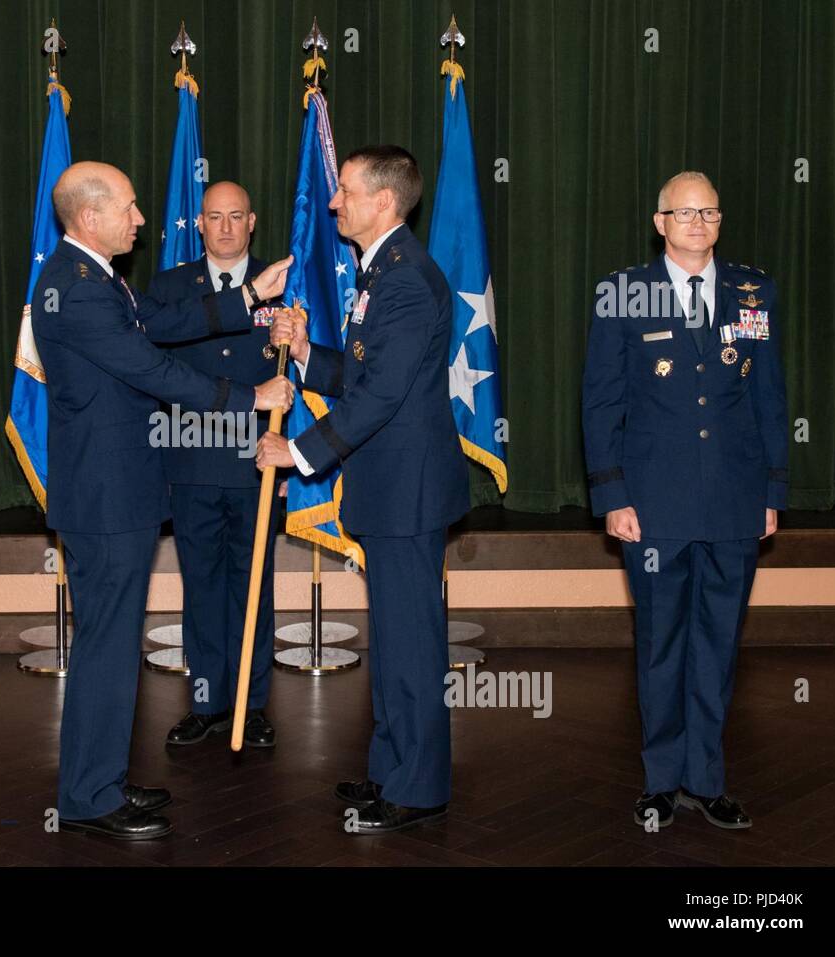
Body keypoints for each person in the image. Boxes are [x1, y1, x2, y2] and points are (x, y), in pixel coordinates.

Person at [32, 161, 294, 840]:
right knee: (105, 648)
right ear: (90, 217)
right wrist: (250, 398)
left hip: (113, 493)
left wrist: (245, 300)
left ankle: (99, 783)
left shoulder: (96, 277)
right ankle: (90, 795)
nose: (142, 219)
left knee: (113, 647)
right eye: (129, 207)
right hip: (105, 497)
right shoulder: (78, 287)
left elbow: (164, 319)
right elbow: (151, 366)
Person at [256, 145, 469, 834]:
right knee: (397, 638)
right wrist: (308, 351)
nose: (333, 201)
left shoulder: (404, 279)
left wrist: (299, 452)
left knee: (411, 641)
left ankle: (418, 785)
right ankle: (391, 767)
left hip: (407, 491)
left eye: (345, 190)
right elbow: (361, 375)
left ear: (383, 201)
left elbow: (378, 399)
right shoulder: (382, 272)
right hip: (391, 488)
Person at [582, 170, 787, 831]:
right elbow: (602, 399)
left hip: (733, 497)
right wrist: (612, 493)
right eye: (685, 212)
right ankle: (661, 779)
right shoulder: (622, 294)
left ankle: (706, 777)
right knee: (663, 641)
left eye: (710, 213)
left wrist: (771, 490)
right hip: (653, 503)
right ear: (659, 221)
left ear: (720, 222)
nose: (698, 223)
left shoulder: (755, 291)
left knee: (720, 641)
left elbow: (769, 399)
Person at [147, 181, 280, 749]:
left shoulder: (285, 287)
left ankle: (252, 706)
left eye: (235, 216)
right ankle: (205, 701)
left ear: (252, 222)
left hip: (258, 462)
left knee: (254, 585)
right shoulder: (171, 288)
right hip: (193, 461)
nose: (224, 227)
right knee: (200, 585)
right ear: (198, 224)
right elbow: (155, 342)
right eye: (213, 217)